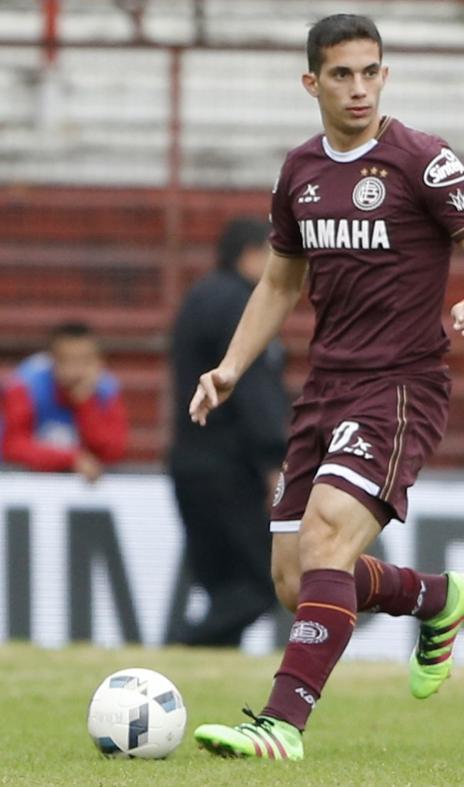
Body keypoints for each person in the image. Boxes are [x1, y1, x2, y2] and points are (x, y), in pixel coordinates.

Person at [190, 14, 464, 761]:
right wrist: (231, 367)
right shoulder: (299, 171)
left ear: (385, 75)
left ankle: (281, 724)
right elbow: (280, 282)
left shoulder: (423, 160)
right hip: (326, 387)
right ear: (312, 82)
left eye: (371, 72)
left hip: (399, 385)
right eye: (341, 74)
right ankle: (436, 597)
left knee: (325, 538)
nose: (359, 88)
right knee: (293, 579)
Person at [169, 217, 289, 646]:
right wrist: (274, 460)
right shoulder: (242, 305)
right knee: (261, 581)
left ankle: (196, 654)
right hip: (230, 466)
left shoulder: (199, 296)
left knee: (223, 585)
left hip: (190, 458)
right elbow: (252, 389)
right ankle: (183, 647)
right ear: (252, 254)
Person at [1, 321, 128, 482]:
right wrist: (72, 459)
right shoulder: (26, 385)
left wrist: (85, 404)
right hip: (27, 483)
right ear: (52, 360)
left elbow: (112, 453)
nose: (76, 370)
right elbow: (12, 446)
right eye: (67, 360)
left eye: (85, 360)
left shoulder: (105, 390)